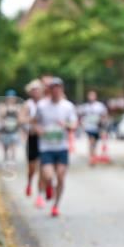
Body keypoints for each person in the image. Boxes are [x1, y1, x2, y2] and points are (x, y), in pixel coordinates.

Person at [33, 77, 78, 217]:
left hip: (61, 147)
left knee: (60, 177)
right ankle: (48, 188)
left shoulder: (68, 106)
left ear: (62, 89)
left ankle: (55, 206)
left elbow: (74, 124)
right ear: (50, 90)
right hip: (46, 147)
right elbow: (34, 122)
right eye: (53, 88)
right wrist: (38, 129)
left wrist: (66, 125)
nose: (56, 90)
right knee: (47, 175)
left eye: (59, 88)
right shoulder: (41, 106)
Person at [21, 80, 45, 207]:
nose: (36, 92)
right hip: (32, 138)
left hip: (45, 140)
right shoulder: (27, 104)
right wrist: (33, 120)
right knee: (32, 168)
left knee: (43, 168)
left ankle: (40, 195)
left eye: (38, 89)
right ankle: (29, 182)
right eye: (33, 90)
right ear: (30, 92)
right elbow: (21, 119)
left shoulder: (46, 103)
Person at [78, 90, 109, 166]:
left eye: (93, 96)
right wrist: (82, 123)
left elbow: (104, 115)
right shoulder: (85, 107)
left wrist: (102, 121)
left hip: (97, 127)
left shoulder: (100, 106)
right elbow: (81, 115)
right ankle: (92, 158)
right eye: (90, 96)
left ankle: (93, 155)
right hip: (89, 128)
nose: (91, 97)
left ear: (95, 97)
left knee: (95, 143)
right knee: (91, 142)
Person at [0, 89, 21, 162]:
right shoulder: (3, 106)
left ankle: (13, 160)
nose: (11, 99)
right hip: (5, 130)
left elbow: (19, 118)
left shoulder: (17, 107)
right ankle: (6, 158)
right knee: (5, 146)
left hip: (14, 129)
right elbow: (0, 116)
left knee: (13, 145)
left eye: (12, 98)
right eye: (9, 98)